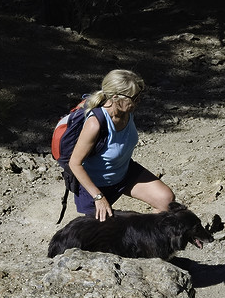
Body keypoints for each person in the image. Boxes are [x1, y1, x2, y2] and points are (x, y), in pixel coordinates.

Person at [66, 69, 177, 220]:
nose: (138, 101)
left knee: (166, 201)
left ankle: (144, 235)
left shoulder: (127, 111)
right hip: (96, 186)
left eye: (139, 95)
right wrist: (98, 197)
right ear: (115, 97)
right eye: (134, 97)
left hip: (124, 173)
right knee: (104, 236)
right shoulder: (95, 124)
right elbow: (75, 163)